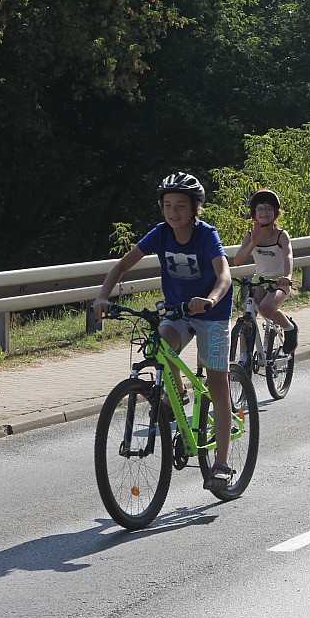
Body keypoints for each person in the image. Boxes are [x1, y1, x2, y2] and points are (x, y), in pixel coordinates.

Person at [92, 172, 236, 489]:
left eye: (180, 206)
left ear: (195, 208)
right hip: (177, 312)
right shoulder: (160, 234)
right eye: (167, 205)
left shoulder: (206, 235)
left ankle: (222, 464)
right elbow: (121, 266)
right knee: (160, 343)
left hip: (212, 313)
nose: (173, 212)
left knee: (217, 384)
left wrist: (209, 300)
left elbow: (224, 275)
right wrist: (103, 296)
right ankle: (179, 395)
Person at [234, 189, 297, 353]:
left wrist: (287, 276)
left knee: (266, 308)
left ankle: (289, 328)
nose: (264, 212)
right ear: (254, 214)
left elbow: (288, 256)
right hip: (259, 280)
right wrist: (253, 243)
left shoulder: (281, 235)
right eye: (260, 209)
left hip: (279, 280)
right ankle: (242, 360)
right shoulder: (251, 235)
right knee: (247, 318)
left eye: (269, 209)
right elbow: (237, 261)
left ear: (275, 213)